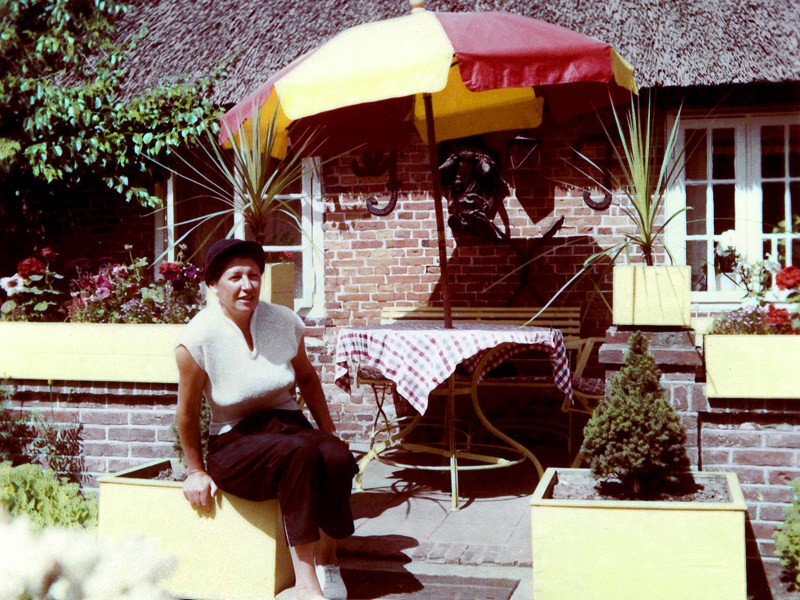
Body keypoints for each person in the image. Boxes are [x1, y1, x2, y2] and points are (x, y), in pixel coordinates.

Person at [175, 238, 356, 600]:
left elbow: (306, 378)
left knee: (336, 456)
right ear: (213, 284)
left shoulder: (283, 321)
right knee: (298, 455)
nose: (247, 286)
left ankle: (328, 559)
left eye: (254, 275)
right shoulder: (197, 338)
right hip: (234, 441)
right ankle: (306, 586)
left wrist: (329, 431)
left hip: (289, 427)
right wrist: (195, 470)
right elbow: (188, 412)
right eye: (235, 277)